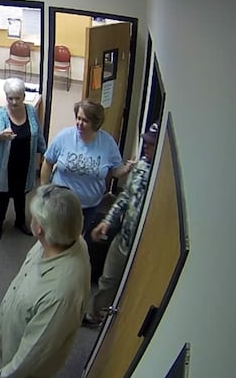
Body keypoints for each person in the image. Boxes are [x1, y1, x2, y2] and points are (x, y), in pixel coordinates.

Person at [0, 184, 91, 378]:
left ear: (39, 228)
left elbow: (30, 358)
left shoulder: (60, 296)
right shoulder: (64, 238)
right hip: (16, 332)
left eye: (34, 216)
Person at [42, 99, 134, 280]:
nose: (79, 123)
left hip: (89, 205)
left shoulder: (107, 143)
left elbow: (115, 170)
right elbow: (47, 162)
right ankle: (48, 270)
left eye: (84, 120)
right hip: (60, 202)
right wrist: (44, 191)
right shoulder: (64, 137)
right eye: (77, 118)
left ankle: (65, 274)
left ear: (96, 123)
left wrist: (127, 169)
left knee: (75, 240)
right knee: (53, 237)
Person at [83, 122, 159, 327]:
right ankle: (94, 316)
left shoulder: (162, 177)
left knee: (136, 290)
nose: (146, 147)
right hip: (124, 238)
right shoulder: (142, 166)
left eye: (151, 144)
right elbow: (126, 196)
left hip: (147, 249)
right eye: (146, 142)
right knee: (108, 279)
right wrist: (108, 221)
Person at [0, 78, 46, 244]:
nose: (14, 102)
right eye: (10, 98)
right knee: (3, 196)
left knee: (21, 196)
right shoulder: (2, 114)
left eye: (17, 98)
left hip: (25, 163)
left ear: (24, 96)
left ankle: (19, 222)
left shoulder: (30, 111)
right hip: (7, 166)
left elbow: (38, 135)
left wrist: (46, 154)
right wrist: (1, 134)